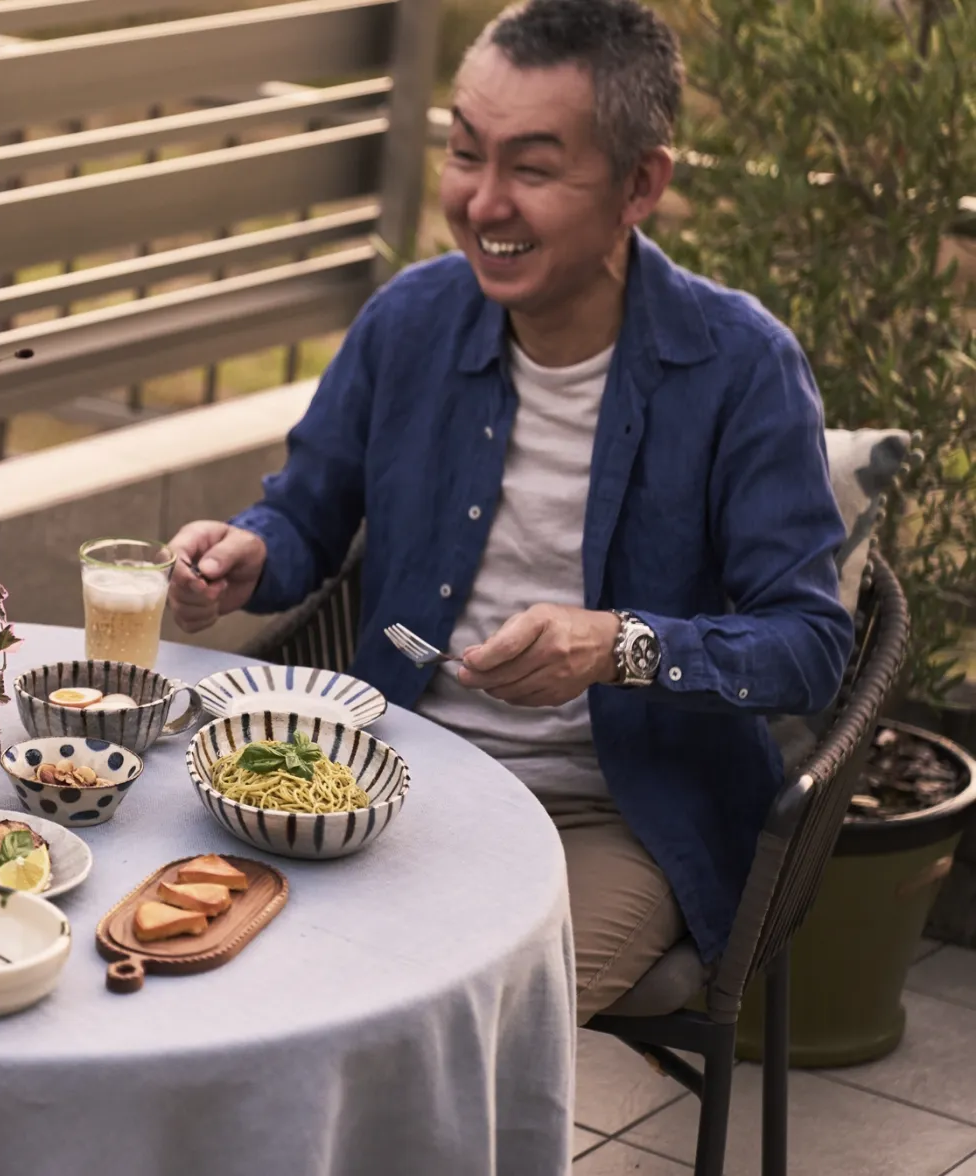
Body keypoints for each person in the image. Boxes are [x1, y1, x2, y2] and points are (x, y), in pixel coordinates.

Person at [168, 0, 853, 1020]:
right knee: (204, 954)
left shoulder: (741, 369)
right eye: (465, 153)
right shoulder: (409, 321)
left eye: (532, 169)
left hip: (614, 814)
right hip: (387, 777)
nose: (484, 202)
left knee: (453, 1019)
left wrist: (615, 644)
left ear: (641, 185)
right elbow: (305, 513)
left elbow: (810, 649)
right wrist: (246, 555)